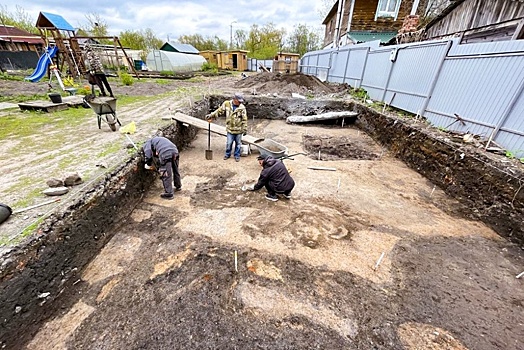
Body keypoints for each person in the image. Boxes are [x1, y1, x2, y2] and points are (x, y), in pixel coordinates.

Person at [206, 92, 247, 162]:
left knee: (238, 144)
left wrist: (245, 128)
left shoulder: (242, 107)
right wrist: (211, 115)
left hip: (239, 130)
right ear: (235, 99)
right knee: (229, 143)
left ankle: (237, 155)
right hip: (230, 129)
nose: (240, 102)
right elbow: (219, 111)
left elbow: (244, 119)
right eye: (239, 101)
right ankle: (227, 154)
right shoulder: (227, 104)